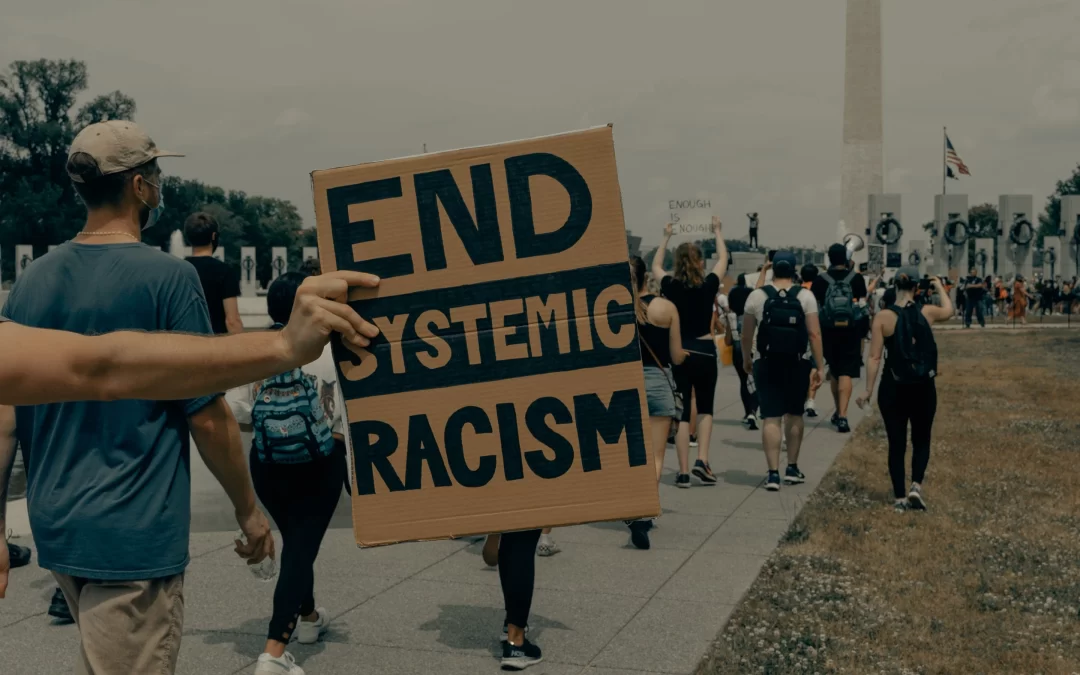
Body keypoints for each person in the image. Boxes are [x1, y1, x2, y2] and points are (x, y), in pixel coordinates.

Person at [0, 121, 371, 674]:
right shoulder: (167, 278)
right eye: (155, 174)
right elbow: (206, 415)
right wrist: (248, 511)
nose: (159, 184)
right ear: (140, 187)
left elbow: (7, 416)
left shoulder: (32, 281)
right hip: (133, 526)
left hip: (58, 521)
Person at [226, 272, 348, 675]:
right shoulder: (333, 347)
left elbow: (237, 411)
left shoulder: (255, 350)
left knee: (297, 542)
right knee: (300, 547)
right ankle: (274, 651)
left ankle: (309, 618)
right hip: (321, 463)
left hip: (268, 466)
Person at [857, 268, 952, 512]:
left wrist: (868, 390)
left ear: (895, 286)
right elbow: (949, 311)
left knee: (896, 442)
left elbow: (874, 358)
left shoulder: (883, 317)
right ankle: (916, 486)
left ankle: (899, 497)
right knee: (922, 438)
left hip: (893, 386)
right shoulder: (926, 312)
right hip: (923, 387)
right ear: (916, 287)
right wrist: (939, 286)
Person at [652, 217, 729, 488]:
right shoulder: (708, 285)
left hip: (680, 350)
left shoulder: (671, 286)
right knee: (705, 408)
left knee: (682, 412)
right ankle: (702, 461)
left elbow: (656, 266)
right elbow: (723, 259)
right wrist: (717, 232)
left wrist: (666, 236)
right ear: (700, 262)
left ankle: (683, 471)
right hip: (705, 350)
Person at [741, 251, 825, 491]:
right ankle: (792, 467)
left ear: (773, 269)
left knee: (771, 417)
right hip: (797, 362)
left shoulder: (757, 296)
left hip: (766, 361)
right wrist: (819, 366)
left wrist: (747, 358)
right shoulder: (805, 296)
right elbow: (814, 334)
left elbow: (746, 334)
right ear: (794, 270)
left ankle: (773, 474)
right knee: (795, 414)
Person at [628, 256, 687, 550]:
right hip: (657, 381)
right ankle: (643, 513)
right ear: (645, 278)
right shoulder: (666, 308)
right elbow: (676, 356)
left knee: (630, 453)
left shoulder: (614, 308)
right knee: (655, 455)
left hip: (625, 383)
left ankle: (631, 504)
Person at [810, 244, 867, 434]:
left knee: (834, 371)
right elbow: (862, 304)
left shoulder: (820, 280)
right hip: (851, 330)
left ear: (829, 259)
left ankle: (837, 410)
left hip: (828, 330)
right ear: (846, 258)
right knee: (846, 372)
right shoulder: (856, 278)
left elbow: (815, 306)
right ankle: (843, 415)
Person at [185, 211, 244, 334]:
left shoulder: (178, 270)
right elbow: (232, 321)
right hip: (215, 341)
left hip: (185, 341)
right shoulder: (224, 271)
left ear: (188, 237)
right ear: (213, 236)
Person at [727, 274, 759, 429]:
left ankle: (747, 412)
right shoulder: (753, 315)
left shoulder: (730, 316)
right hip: (753, 349)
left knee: (743, 381)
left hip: (737, 352)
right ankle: (754, 411)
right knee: (755, 381)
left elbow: (727, 340)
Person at [800, 264, 822, 418]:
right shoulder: (817, 290)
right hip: (813, 331)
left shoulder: (796, 291)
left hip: (798, 333)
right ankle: (811, 401)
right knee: (814, 366)